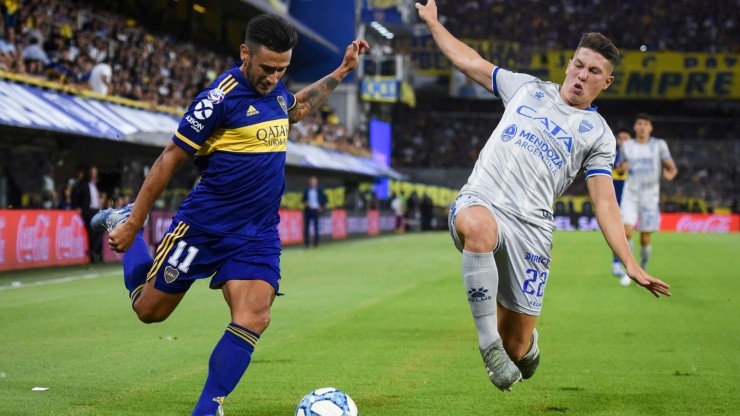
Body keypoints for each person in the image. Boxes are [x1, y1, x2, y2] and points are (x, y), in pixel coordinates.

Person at [90, 14, 369, 415]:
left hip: (257, 232)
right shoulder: (217, 100)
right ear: (245, 53)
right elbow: (168, 160)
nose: (274, 78)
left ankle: (208, 408)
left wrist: (342, 70)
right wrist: (136, 222)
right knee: (148, 311)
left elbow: (297, 107)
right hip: (203, 228)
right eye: (267, 68)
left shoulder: (274, 91)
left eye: (282, 70)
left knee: (254, 316)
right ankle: (120, 222)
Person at [415, 0, 671, 392]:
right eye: (579, 65)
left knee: (515, 346)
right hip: (482, 199)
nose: (583, 75)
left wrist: (628, 261)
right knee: (479, 227)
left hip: (533, 229)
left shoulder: (598, 134)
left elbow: (604, 201)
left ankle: (522, 346)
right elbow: (470, 61)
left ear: (607, 82)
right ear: (569, 63)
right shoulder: (526, 88)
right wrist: (433, 22)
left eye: (595, 72)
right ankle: (489, 349)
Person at [616, 113, 677, 286]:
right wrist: (622, 167)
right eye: (639, 123)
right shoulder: (627, 146)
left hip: (650, 197)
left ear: (650, 128)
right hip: (631, 194)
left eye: (645, 124)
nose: (642, 127)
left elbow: (671, 168)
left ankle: (643, 266)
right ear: (635, 127)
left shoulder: (659, 145)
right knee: (626, 232)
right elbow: (620, 168)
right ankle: (631, 270)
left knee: (644, 238)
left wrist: (669, 175)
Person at [72, 165, 103, 263]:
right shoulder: (84, 183)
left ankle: (93, 251)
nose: (93, 174)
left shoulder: (94, 185)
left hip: (96, 210)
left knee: (101, 230)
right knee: (92, 232)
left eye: (95, 172)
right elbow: (75, 193)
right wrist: (77, 206)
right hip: (88, 211)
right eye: (92, 172)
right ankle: (93, 254)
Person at [610, 128, 630, 277]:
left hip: (632, 200)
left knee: (628, 233)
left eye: (626, 138)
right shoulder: (613, 156)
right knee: (620, 232)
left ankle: (623, 263)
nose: (623, 141)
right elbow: (621, 169)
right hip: (616, 201)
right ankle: (617, 263)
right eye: (620, 138)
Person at [302, 175, 328, 248]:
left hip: (316, 210)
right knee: (306, 228)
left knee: (316, 227)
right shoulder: (307, 190)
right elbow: (303, 199)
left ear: (316, 183)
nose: (313, 183)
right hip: (308, 210)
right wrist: (305, 202)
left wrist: (322, 206)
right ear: (309, 183)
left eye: (314, 182)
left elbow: (325, 199)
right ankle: (306, 244)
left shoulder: (320, 190)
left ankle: (316, 244)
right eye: (312, 182)